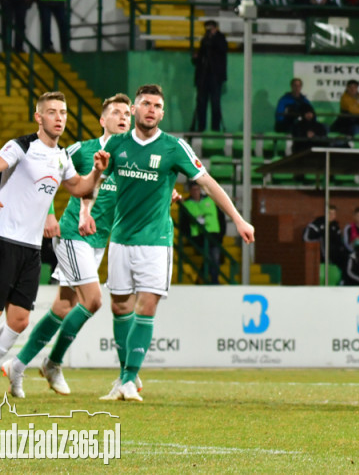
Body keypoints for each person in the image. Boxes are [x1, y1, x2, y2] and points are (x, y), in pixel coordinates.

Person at [97, 85, 253, 402]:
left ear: (162, 113)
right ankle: (128, 373)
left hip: (155, 241)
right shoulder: (116, 144)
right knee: (120, 307)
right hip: (121, 239)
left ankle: (127, 379)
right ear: (135, 109)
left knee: (147, 306)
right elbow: (94, 183)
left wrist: (238, 219)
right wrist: (94, 182)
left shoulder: (173, 147)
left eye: (157, 105)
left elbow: (207, 183)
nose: (152, 109)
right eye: (145, 104)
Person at [0, 92, 108, 402]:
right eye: (52, 112)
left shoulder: (62, 157)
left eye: (64, 112)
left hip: (31, 249)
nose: (59, 117)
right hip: (3, 240)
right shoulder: (22, 146)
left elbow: (80, 188)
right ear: (38, 117)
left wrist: (96, 172)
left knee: (19, 321)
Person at [0, 94, 132, 397]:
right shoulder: (83, 150)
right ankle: (53, 362)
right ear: (103, 120)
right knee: (94, 300)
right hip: (73, 234)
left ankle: (17, 365)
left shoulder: (128, 159)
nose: (123, 117)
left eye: (127, 113)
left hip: (100, 239)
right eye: (116, 112)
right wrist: (48, 214)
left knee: (63, 305)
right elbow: (43, 170)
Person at [180, 182, 223, 284]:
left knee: (214, 256)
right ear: (190, 191)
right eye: (193, 190)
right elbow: (184, 224)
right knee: (211, 256)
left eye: (197, 189)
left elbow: (220, 218)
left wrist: (221, 235)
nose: (196, 192)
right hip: (199, 237)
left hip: (213, 235)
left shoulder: (210, 200)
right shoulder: (186, 204)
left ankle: (208, 279)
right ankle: (211, 280)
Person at [192, 20, 227, 132]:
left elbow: (222, 50)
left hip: (215, 76)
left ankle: (215, 128)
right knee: (202, 102)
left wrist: (213, 39)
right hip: (204, 76)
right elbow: (201, 57)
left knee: (215, 103)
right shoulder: (205, 40)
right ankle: (201, 127)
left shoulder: (220, 38)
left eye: (210, 28)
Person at [303, 205, 347, 271]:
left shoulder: (335, 225)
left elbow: (339, 241)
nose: (331, 215)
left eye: (333, 213)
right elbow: (306, 238)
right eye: (329, 213)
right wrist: (319, 240)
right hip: (319, 255)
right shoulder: (318, 223)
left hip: (334, 254)